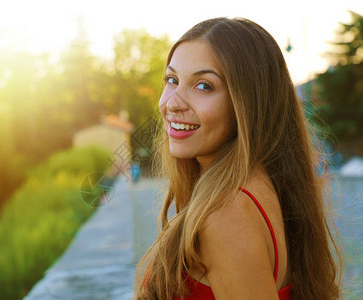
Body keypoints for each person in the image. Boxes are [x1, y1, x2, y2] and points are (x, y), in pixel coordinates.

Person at [133, 17, 341, 299]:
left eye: (203, 86)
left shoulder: (225, 214)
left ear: (247, 103)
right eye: (172, 80)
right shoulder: (255, 184)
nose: (172, 103)